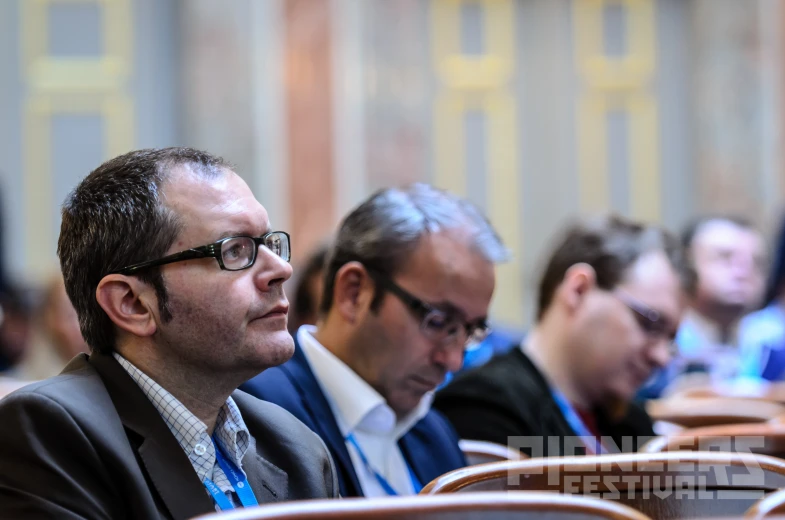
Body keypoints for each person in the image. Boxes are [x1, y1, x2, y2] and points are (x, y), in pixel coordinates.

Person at [0, 148, 337, 519]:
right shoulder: (50, 432)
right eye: (235, 250)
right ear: (133, 303)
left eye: (269, 243)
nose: (281, 269)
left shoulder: (295, 445)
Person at [242, 183, 508, 497]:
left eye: (471, 331)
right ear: (354, 293)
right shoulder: (259, 412)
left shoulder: (435, 433)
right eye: (438, 321)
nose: (453, 360)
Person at [433, 215, 691, 457]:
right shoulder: (482, 408)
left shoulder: (631, 423)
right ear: (578, 290)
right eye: (649, 324)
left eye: (669, 340)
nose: (661, 357)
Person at [637, 215, 766, 398]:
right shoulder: (654, 341)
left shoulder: (771, 348)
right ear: (685, 264)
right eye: (724, 257)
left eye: (757, 262)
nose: (744, 272)